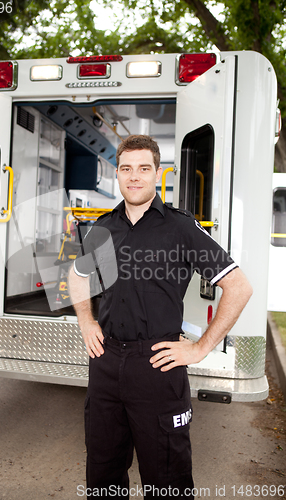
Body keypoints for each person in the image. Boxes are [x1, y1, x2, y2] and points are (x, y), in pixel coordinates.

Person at [68, 135, 253, 499]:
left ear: (157, 174)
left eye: (143, 169)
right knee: (103, 474)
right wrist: (86, 321)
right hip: (105, 364)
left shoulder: (180, 228)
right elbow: (77, 277)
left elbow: (239, 286)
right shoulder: (102, 228)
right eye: (126, 169)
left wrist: (200, 348)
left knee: (167, 480)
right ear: (117, 174)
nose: (134, 177)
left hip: (157, 366)